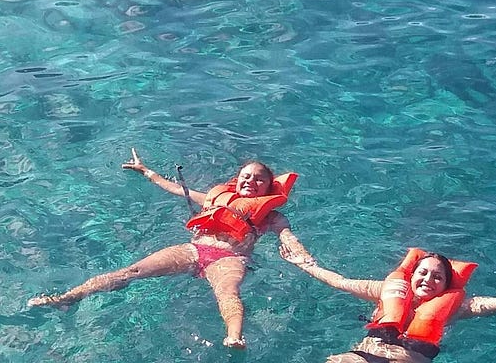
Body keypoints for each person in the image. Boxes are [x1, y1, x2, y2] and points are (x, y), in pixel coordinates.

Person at [28, 148, 314, 349]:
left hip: (230, 258)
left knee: (228, 292)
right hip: (193, 250)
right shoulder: (215, 199)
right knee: (132, 271)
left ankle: (234, 337)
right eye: (246, 176)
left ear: (268, 188)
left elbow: (286, 235)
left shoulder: (272, 216)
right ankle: (68, 298)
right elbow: (176, 188)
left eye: (258, 179)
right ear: (236, 180)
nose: (250, 181)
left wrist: (302, 256)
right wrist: (146, 171)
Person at [282, 247, 496, 363]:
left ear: (445, 285)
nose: (428, 279)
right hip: (365, 356)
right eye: (423, 273)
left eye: (437, 277)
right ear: (411, 275)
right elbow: (339, 281)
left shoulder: (459, 306)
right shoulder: (385, 291)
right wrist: (304, 264)